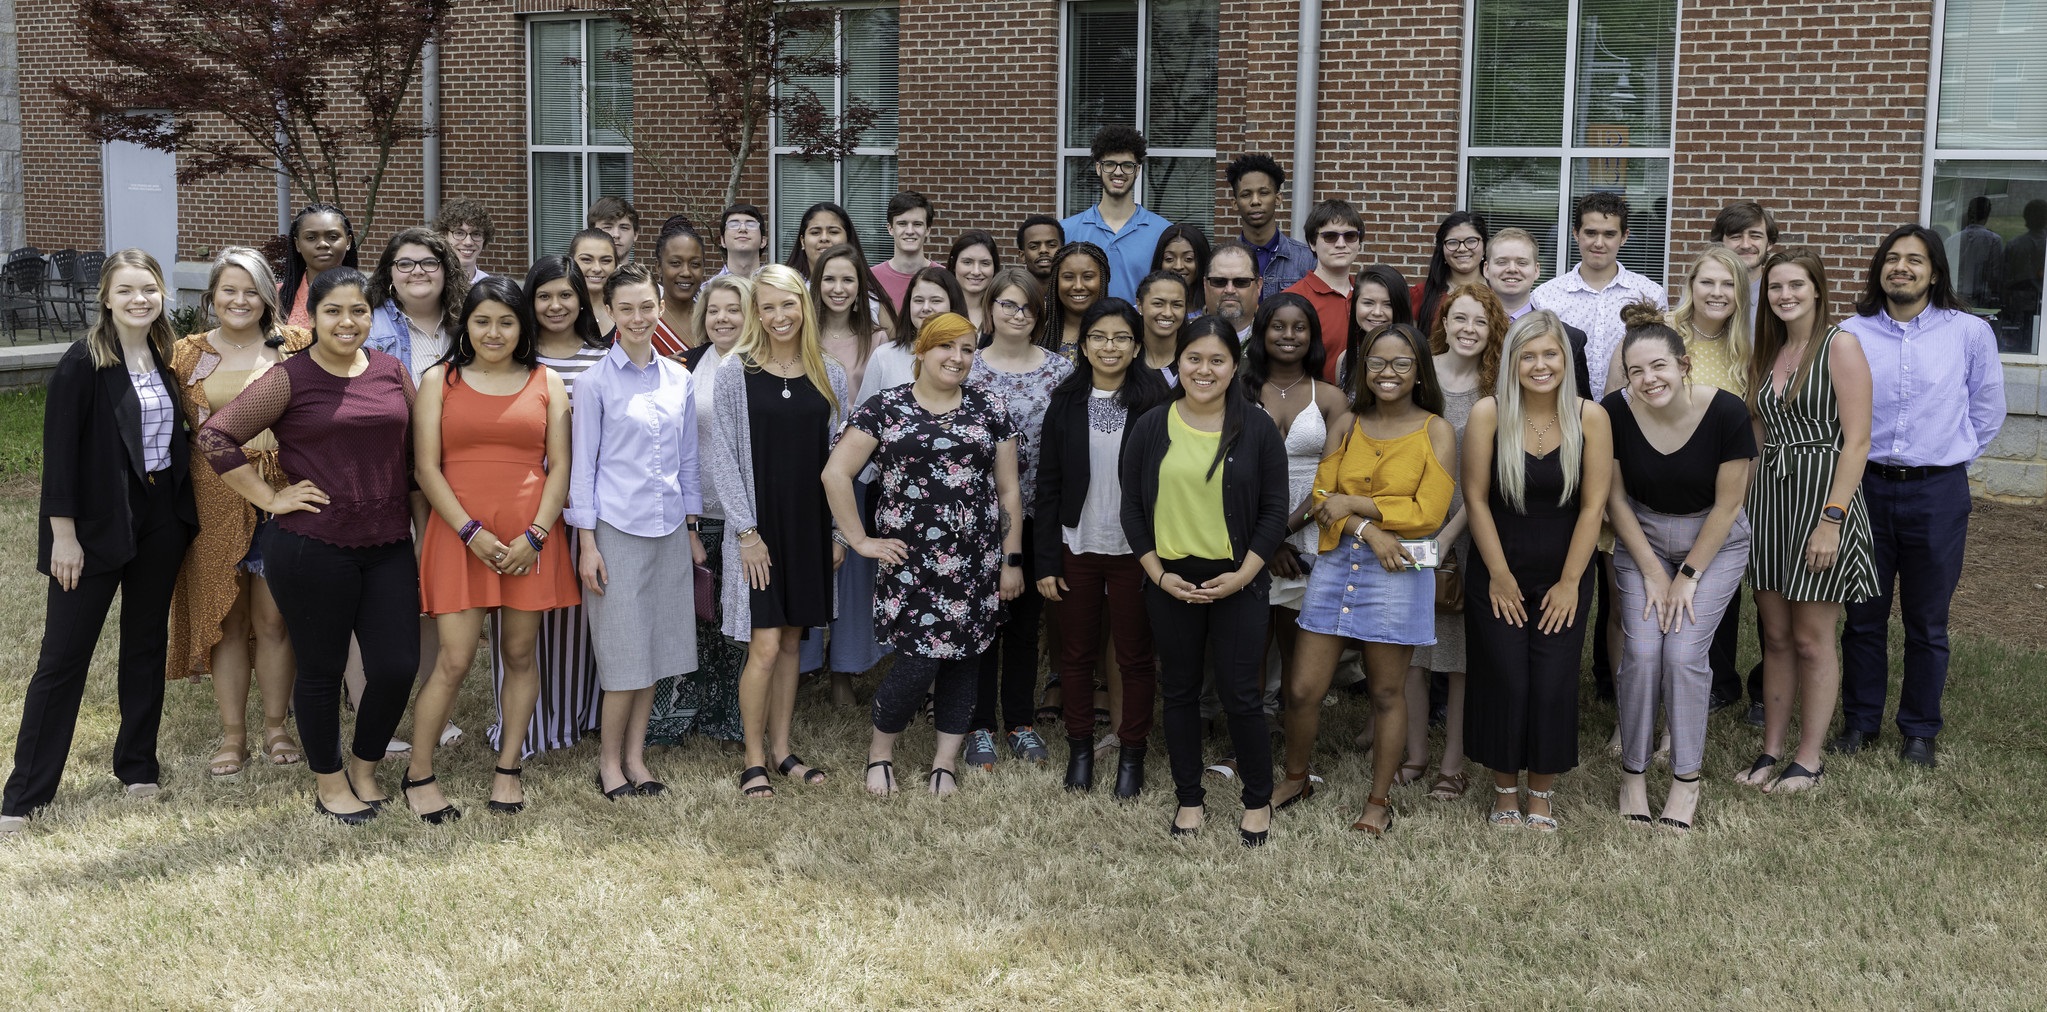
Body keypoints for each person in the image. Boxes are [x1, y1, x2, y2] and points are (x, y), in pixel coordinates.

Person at [197, 266, 417, 826]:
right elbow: (215, 436)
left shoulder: (392, 371)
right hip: (313, 545)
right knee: (319, 670)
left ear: (373, 315)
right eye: (333, 311)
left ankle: (365, 768)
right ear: (312, 318)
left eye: (359, 310)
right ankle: (330, 780)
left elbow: (417, 454)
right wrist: (270, 498)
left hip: (388, 542)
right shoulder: (290, 376)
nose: (347, 322)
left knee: (395, 666)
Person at [0, 250, 198, 837]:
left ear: (162, 295)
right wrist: (64, 537)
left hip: (160, 518)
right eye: (126, 290)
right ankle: (25, 793)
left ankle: (137, 766)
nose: (140, 299)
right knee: (63, 659)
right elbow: (59, 456)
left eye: (149, 289)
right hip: (94, 527)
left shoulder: (164, 357)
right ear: (106, 298)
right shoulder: (82, 363)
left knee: (143, 646)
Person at [823, 313, 1024, 798]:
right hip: (909, 566)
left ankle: (944, 763)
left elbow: (1008, 491)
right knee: (916, 663)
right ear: (921, 351)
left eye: (968, 350)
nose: (957, 358)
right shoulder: (885, 408)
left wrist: (1011, 561)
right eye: (946, 348)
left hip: (974, 564)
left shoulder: (989, 409)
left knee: (963, 661)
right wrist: (859, 540)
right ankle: (880, 753)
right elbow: (835, 474)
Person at [408, 278, 579, 821]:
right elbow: (425, 469)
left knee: (520, 654)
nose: (494, 332)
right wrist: (469, 531)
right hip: (461, 534)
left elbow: (560, 468)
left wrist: (536, 536)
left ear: (522, 326)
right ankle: (419, 773)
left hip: (529, 537)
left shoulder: (546, 381)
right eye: (483, 321)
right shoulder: (441, 380)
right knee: (454, 660)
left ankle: (508, 768)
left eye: (507, 321)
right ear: (468, 325)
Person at [1835, 225, 2004, 768]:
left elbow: (1987, 409)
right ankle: (1860, 721)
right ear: (1879, 268)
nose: (1900, 267)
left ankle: (1919, 731)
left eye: (1915, 259)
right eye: (1892, 258)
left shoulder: (1969, 333)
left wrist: (1950, 460)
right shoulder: (1849, 332)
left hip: (1938, 493)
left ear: (1934, 271)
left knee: (1927, 621)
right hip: (1866, 490)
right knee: (1863, 616)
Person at [1120, 315, 1290, 845]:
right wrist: (1158, 575)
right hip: (1170, 579)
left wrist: (1243, 576)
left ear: (1234, 366)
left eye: (1217, 360)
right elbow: (1131, 510)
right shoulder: (1151, 425)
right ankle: (1189, 798)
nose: (1204, 369)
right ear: (1178, 362)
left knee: (1242, 694)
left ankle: (1257, 800)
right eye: (1194, 358)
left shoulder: (1257, 427)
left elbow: (1273, 511)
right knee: (1181, 691)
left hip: (1238, 579)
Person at [1279, 323, 1454, 835]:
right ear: (1363, 367)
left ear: (1420, 369)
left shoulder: (1435, 430)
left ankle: (1378, 801)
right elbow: (1319, 499)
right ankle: (1295, 777)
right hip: (1338, 564)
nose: (1388, 373)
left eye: (1402, 363)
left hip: (1402, 570)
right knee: (1304, 689)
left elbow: (1427, 514)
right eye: (1377, 362)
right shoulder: (1349, 423)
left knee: (1386, 693)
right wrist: (1367, 530)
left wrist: (1354, 505)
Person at [1604, 303, 1757, 831]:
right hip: (1642, 536)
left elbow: (1729, 505)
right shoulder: (1614, 413)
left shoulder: (1728, 413)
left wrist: (1686, 576)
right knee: (1644, 651)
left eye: (1659, 366)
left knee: (1685, 652)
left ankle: (1686, 782)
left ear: (1684, 363)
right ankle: (1633, 776)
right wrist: (1651, 569)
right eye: (1636, 371)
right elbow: (1615, 500)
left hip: (1712, 542)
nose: (1648, 380)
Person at [1462, 311, 1612, 832]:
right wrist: (1498, 576)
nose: (1540, 364)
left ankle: (1541, 794)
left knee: (1551, 683)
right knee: (1506, 679)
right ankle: (1505, 791)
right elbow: (1475, 501)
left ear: (1566, 361)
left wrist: (1571, 583)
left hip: (1564, 573)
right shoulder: (1490, 413)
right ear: (1511, 361)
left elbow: (1594, 507)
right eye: (1528, 355)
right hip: (1498, 569)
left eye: (1550, 354)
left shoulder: (1590, 417)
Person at [1735, 248, 1878, 795]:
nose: (1785, 294)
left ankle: (1809, 759)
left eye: (1796, 284)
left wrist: (1832, 520)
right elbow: (1759, 435)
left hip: (1823, 498)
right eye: (1775, 287)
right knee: (1773, 635)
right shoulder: (1768, 350)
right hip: (1771, 503)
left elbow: (1858, 441)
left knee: (1814, 638)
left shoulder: (1840, 345)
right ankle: (1771, 750)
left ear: (1817, 289)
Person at [566, 264, 708, 799]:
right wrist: (587, 544)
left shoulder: (679, 379)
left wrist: (692, 529)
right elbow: (584, 469)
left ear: (658, 307)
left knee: (655, 650)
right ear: (610, 313)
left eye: (645, 306)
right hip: (615, 531)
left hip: (669, 528)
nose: (638, 317)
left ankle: (636, 758)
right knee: (623, 654)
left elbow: (688, 462)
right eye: (625, 308)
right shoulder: (594, 382)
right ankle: (608, 764)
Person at [167, 248, 310, 779]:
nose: (240, 300)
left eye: (251, 290)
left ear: (268, 296)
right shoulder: (185, 354)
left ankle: (277, 727)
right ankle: (233, 737)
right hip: (215, 501)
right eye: (229, 290)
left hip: (284, 496)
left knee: (274, 619)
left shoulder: (296, 345)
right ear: (211, 296)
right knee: (228, 621)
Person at [707, 265, 849, 799]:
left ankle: (784, 750)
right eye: (767, 306)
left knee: (792, 642)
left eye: (787, 304)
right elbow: (722, 455)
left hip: (810, 528)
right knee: (764, 645)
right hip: (758, 531)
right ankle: (752, 759)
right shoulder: (734, 371)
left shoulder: (829, 374)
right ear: (755, 313)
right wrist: (745, 532)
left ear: (804, 306)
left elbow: (843, 460)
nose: (778, 316)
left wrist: (837, 533)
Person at [1036, 298, 1172, 794]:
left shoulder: (1158, 402)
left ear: (1137, 346)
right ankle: (1079, 750)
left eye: (1120, 338)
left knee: (1135, 657)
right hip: (1078, 545)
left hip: (1137, 550)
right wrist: (1047, 559)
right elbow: (1047, 484)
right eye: (1099, 337)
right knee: (1075, 655)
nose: (1109, 347)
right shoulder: (1065, 400)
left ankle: (1131, 754)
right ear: (1083, 345)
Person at [486, 256, 610, 758]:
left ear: (582, 298)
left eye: (565, 294)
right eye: (543, 295)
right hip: (525, 509)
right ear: (528, 301)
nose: (555, 305)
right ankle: (527, 726)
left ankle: (581, 716)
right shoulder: (516, 360)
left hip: (592, 508)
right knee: (522, 626)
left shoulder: (606, 357)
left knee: (582, 619)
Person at [964, 267, 1073, 770]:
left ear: (1039, 316)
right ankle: (979, 725)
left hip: (1035, 516)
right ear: (989, 309)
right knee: (983, 624)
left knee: (1026, 624)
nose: (1016, 314)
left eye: (1026, 306)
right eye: (1006, 304)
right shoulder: (969, 368)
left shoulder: (1060, 372)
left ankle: (1021, 721)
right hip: (975, 518)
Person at [363, 225, 467, 752]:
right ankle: (369, 713)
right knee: (379, 596)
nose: (417, 272)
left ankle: (434, 708)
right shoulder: (372, 325)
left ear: (446, 270)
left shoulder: (465, 328)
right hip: (385, 475)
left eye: (428, 262)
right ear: (389, 274)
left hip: (454, 479)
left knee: (434, 596)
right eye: (404, 264)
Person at [1401, 282, 1507, 800]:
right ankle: (1415, 753)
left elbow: (1484, 483)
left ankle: (1452, 762)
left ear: (1493, 331)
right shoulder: (1421, 377)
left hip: (1467, 533)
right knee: (1412, 650)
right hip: (1409, 525)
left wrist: (1447, 538)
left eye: (1480, 323)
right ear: (1443, 321)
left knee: (1461, 654)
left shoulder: (1496, 392)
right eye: (1460, 319)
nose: (1469, 330)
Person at [1654, 248, 1764, 717]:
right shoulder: (1664, 334)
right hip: (1654, 492)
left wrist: (1740, 495)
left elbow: (1754, 426)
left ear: (1741, 294)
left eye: (1728, 285)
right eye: (1708, 283)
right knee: (1641, 602)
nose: (1717, 293)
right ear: (1691, 286)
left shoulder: (1749, 349)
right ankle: (1639, 690)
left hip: (1720, 498)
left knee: (1704, 598)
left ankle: (1702, 687)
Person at [1240, 291, 1343, 782]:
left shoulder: (1330, 397)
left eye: (1298, 327)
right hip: (1246, 530)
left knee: (1296, 643)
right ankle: (1249, 741)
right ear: (1262, 333)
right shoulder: (1238, 390)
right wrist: (1265, 540)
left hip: (1309, 533)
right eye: (1277, 326)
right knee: (1250, 640)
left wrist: (1284, 534)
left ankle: (1294, 743)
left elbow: (1333, 479)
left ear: (1312, 336)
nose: (1287, 335)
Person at [649, 274, 749, 746]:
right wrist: (687, 522)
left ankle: (729, 718)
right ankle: (678, 717)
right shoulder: (682, 366)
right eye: (714, 310)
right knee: (691, 619)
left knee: (736, 625)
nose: (723, 318)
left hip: (746, 521)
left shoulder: (762, 369)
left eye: (734, 309)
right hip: (694, 515)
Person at [800, 246, 894, 706]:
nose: (838, 289)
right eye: (829, 280)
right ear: (816, 285)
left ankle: (845, 671)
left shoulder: (876, 338)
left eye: (848, 281)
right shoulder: (799, 332)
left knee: (852, 570)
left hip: (855, 470)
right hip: (802, 465)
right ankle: (798, 665)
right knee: (805, 563)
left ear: (861, 289)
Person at [1529, 192, 1666, 399]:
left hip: (1633, 412)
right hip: (1564, 413)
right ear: (1576, 234)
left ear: (1624, 237)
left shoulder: (1650, 294)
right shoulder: (1545, 297)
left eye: (1609, 234)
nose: (1599, 243)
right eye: (1591, 233)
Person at [1061, 126, 1170, 304]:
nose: (1118, 172)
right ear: (1098, 168)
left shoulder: (1162, 232)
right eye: (1110, 164)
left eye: (1127, 165)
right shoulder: (1067, 230)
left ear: (1137, 170)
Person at [859, 265, 968, 404]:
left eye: (936, 301)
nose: (926, 308)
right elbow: (862, 415)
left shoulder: (967, 358)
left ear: (953, 305)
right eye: (918, 300)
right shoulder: (884, 356)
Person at [1283, 199, 1364, 385]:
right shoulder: (1292, 300)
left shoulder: (1369, 298)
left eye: (1350, 236)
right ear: (1312, 243)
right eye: (1330, 236)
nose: (1341, 244)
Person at [1225, 153, 1313, 298]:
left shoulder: (1306, 260)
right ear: (1235, 203)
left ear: (1278, 198)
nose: (1255, 201)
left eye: (1264, 193)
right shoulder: (1222, 260)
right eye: (1246, 194)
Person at [1334, 264, 1416, 396]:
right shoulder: (1345, 359)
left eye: (1388, 304)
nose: (1377, 312)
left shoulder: (1417, 358)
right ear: (1354, 305)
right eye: (1368, 303)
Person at [278, 204, 359, 328]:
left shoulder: (369, 296)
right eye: (311, 238)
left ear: (348, 241)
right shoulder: (275, 297)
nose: (322, 244)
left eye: (333, 237)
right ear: (297, 244)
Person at [1411, 211, 1489, 336]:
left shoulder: (1499, 293)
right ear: (1441, 249)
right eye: (1452, 242)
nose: (1462, 249)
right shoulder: (1421, 295)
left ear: (1484, 247)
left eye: (1471, 241)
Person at [871, 191, 937, 310]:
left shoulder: (943, 277)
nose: (910, 231)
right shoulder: (871, 279)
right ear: (890, 228)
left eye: (917, 224)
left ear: (927, 229)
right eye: (902, 224)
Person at [652, 216, 707, 357]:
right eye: (675, 263)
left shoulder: (713, 318)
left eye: (695, 264)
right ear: (659, 267)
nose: (686, 272)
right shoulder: (643, 322)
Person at [1046, 241, 1111, 358]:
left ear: (1103, 280)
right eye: (1068, 277)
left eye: (1088, 277)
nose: (1078, 286)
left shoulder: (1121, 330)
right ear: (1055, 281)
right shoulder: (1037, 330)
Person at [1709, 200, 1778, 305]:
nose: (1745, 245)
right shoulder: (1702, 296)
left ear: (1769, 243)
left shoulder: (1780, 297)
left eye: (1755, 236)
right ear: (1720, 243)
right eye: (1736, 237)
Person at [2002, 199, 2046, 353]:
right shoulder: (2016, 244)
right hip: (2023, 300)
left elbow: (2005, 274)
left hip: (2022, 300)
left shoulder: (2015, 244)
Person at [1946, 196, 2004, 311]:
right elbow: (1994, 275)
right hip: (1978, 298)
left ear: (1969, 213)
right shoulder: (1993, 240)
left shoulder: (1951, 240)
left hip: (1957, 295)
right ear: (1987, 215)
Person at [1135, 270, 1190, 384]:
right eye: (1158, 304)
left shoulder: (1193, 360)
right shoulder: (1124, 357)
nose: (1168, 313)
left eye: (1177, 305)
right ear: (1140, 305)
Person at [1204, 240, 1263, 342]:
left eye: (1241, 282)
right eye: (1219, 281)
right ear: (1205, 285)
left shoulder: (1275, 340)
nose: (1230, 290)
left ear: (1258, 286)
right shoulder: (1182, 335)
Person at [948, 229, 1002, 332]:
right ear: (953, 264)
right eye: (967, 262)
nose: (976, 272)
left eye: (985, 263)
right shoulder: (939, 307)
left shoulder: (1003, 311)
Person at [1151, 224, 1211, 316]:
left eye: (1188, 259)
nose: (1178, 266)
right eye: (1169, 259)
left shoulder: (1213, 310)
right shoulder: (1143, 311)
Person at [571, 228, 620, 335]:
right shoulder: (559, 311)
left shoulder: (626, 310)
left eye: (606, 260)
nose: (596, 268)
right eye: (586, 260)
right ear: (571, 262)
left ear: (616, 265)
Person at [434, 198, 496, 282]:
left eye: (476, 234)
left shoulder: (491, 287)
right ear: (444, 235)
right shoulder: (433, 285)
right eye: (459, 233)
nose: (468, 242)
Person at [710, 203, 769, 285]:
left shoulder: (779, 287)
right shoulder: (706, 291)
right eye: (733, 225)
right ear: (722, 241)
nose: (743, 229)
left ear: (763, 241)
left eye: (751, 224)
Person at [589, 195, 640, 263]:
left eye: (624, 228)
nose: (616, 235)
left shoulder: (645, 274)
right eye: (607, 227)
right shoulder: (574, 273)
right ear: (592, 233)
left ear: (635, 235)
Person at [1016, 214, 1065, 284]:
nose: (1043, 250)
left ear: (1063, 251)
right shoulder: (1012, 293)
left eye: (1052, 245)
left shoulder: (1076, 291)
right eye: (1034, 246)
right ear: (1022, 256)